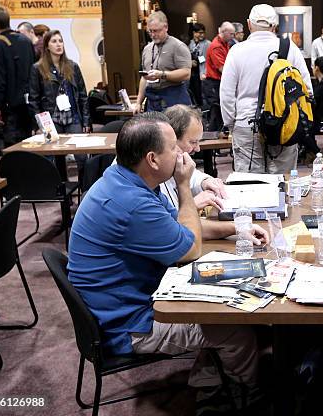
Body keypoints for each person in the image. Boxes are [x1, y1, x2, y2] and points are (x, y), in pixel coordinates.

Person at [68, 112, 259, 390]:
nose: (182, 153)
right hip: (127, 324)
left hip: (121, 302)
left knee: (226, 296)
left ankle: (209, 371)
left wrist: (236, 229)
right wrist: (183, 184)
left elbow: (181, 226)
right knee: (237, 331)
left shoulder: (125, 178)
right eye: (174, 148)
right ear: (152, 159)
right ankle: (239, 392)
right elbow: (191, 247)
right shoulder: (132, 202)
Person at [220, 4, 312, 174]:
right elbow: (306, 89)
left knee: (249, 184)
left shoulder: (237, 51)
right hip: (283, 123)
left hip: (247, 123)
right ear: (275, 26)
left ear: (248, 24)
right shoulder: (290, 48)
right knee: (281, 181)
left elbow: (226, 94)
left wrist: (231, 124)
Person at [160, 105, 269, 244]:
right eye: (193, 142)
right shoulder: (154, 179)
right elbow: (171, 228)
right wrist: (191, 206)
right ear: (171, 140)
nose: (198, 148)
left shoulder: (174, 166)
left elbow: (193, 177)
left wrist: (205, 180)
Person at [28, 30, 91, 181]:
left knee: (82, 156)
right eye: (54, 41)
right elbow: (34, 99)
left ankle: (84, 188)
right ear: (47, 46)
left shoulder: (72, 66)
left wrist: (87, 120)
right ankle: (64, 194)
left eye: (60, 41)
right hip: (52, 120)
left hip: (73, 117)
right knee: (57, 159)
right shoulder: (38, 68)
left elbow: (83, 95)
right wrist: (39, 125)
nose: (58, 45)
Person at [0, 5, 34, 147]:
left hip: (10, 109)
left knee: (14, 150)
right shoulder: (26, 41)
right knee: (30, 146)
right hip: (29, 105)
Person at [135, 11, 192, 113]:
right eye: (150, 31)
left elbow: (186, 73)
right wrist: (139, 102)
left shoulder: (178, 46)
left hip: (173, 99)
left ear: (166, 27)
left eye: (156, 31)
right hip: (152, 101)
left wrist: (162, 74)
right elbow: (144, 78)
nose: (153, 35)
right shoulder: (147, 49)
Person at [204, 22, 234, 132]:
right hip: (213, 83)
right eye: (231, 34)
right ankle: (211, 143)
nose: (233, 36)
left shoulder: (225, 43)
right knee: (215, 113)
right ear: (224, 32)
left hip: (219, 82)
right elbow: (223, 69)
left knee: (220, 113)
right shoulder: (216, 46)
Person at [188, 22, 209, 106]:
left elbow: (205, 59)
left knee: (202, 96)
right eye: (200, 33)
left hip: (202, 72)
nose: (202, 35)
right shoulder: (190, 43)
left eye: (203, 33)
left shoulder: (207, 44)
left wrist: (197, 59)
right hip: (192, 73)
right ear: (194, 33)